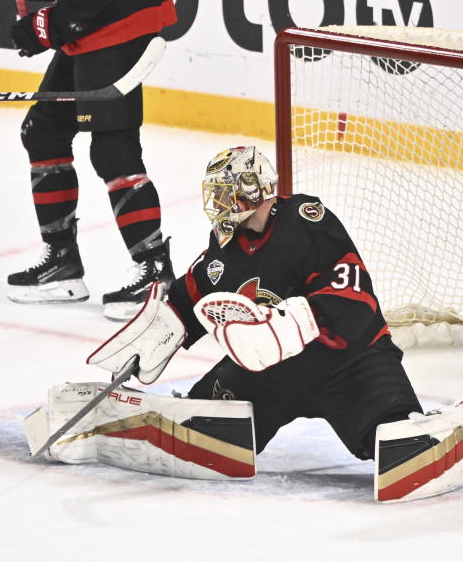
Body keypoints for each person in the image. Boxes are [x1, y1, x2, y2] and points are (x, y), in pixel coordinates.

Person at [90, 145, 424, 461]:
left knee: (398, 442)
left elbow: (352, 295)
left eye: (222, 192)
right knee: (197, 431)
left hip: (348, 362)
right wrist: (154, 335)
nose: (215, 202)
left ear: (250, 190)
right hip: (270, 373)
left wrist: (292, 324)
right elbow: (190, 294)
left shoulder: (305, 221)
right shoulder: (225, 247)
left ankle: (412, 430)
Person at [0, 0, 178, 321]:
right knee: (43, 132)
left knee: (113, 148)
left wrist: (40, 29)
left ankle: (155, 271)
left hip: (116, 25)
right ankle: (61, 262)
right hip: (94, 26)